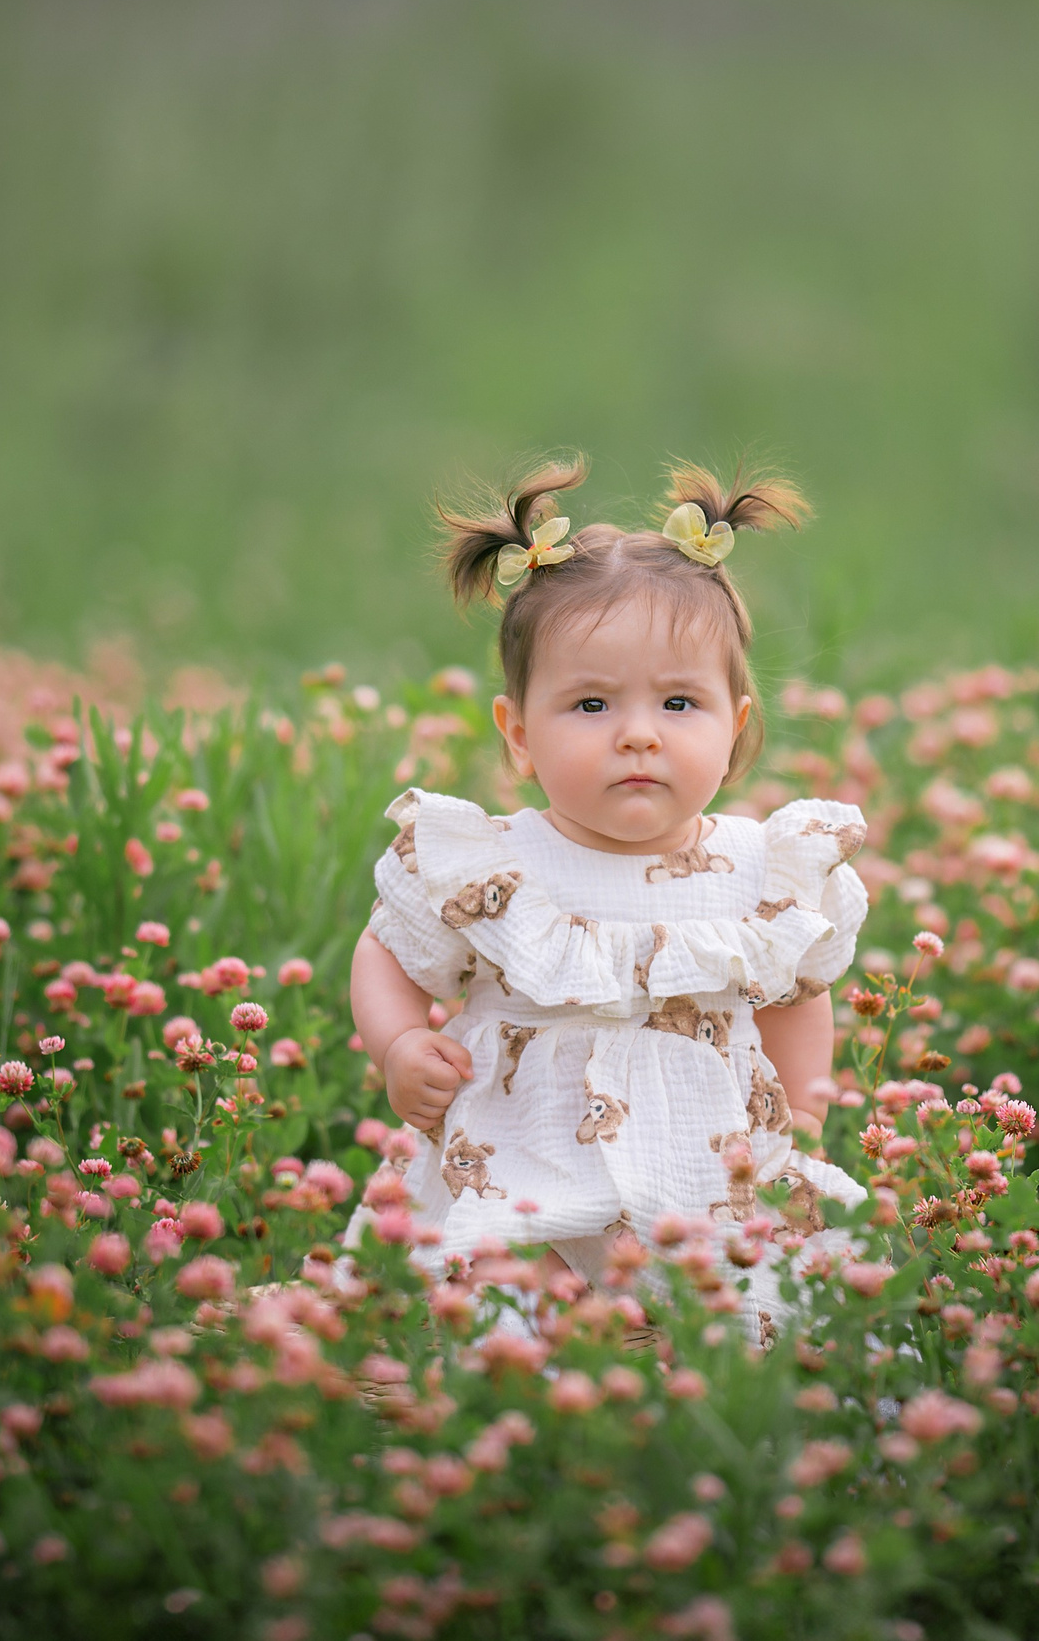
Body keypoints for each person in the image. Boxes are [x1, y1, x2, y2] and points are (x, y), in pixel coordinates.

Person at [343, 456, 871, 1329]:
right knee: (489, 1304)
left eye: (678, 703)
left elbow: (795, 993)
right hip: (523, 1170)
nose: (636, 736)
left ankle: (686, 1371)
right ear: (518, 734)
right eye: (590, 706)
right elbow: (388, 952)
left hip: (708, 1179)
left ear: (736, 725)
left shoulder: (761, 869)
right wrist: (399, 1044)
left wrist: (805, 1105)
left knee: (769, 1310)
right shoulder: (495, 866)